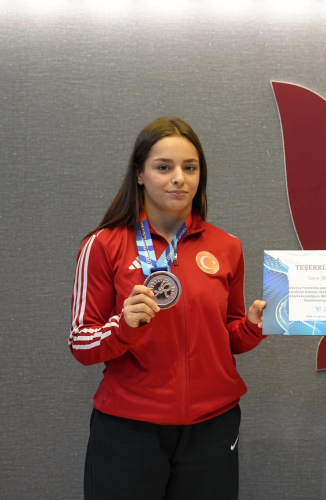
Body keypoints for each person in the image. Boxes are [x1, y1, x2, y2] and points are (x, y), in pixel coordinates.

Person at [69, 117, 265, 500]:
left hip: (212, 426)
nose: (179, 178)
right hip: (130, 427)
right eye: (164, 167)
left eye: (190, 168)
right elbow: (81, 342)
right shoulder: (103, 245)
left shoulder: (226, 246)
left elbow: (229, 337)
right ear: (139, 175)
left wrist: (253, 326)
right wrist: (123, 325)